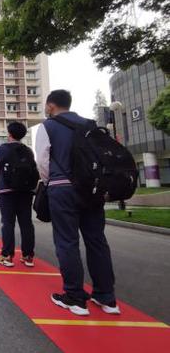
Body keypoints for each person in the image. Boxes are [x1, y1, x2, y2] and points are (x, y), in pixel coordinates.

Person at [35, 89, 120, 316]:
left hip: (62, 189)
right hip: (92, 189)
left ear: (50, 106)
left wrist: (48, 182)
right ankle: (107, 298)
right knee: (96, 241)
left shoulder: (48, 126)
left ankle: (74, 297)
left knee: (67, 242)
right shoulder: (89, 125)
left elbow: (42, 161)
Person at [0, 122, 37, 268]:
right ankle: (28, 256)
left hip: (6, 190)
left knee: (8, 223)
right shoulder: (29, 151)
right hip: (26, 191)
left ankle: (7, 255)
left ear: (9, 133)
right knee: (26, 223)